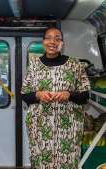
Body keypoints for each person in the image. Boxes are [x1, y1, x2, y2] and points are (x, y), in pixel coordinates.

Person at [21, 27, 90, 169]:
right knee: (41, 162)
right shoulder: (34, 65)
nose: (53, 41)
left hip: (68, 128)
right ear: (43, 41)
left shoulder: (75, 64)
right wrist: (38, 95)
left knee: (67, 162)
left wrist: (69, 95)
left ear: (62, 43)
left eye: (57, 38)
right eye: (49, 38)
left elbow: (85, 96)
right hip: (40, 127)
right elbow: (24, 94)